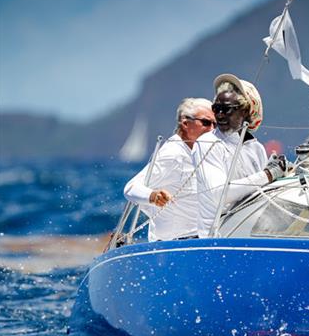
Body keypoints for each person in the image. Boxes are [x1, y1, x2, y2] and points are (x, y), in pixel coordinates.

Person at [193, 74, 287, 237]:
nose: (219, 115)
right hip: (216, 238)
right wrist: (269, 174)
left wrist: (280, 175)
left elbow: (258, 193)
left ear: (245, 111)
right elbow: (220, 194)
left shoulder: (256, 148)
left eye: (227, 109)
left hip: (248, 232)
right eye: (216, 108)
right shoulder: (207, 143)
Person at [123, 98, 216, 241]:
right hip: (175, 245)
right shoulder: (173, 154)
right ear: (185, 123)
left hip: (201, 240)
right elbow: (130, 188)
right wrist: (153, 196)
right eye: (206, 123)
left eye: (215, 124)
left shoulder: (202, 151)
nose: (212, 129)